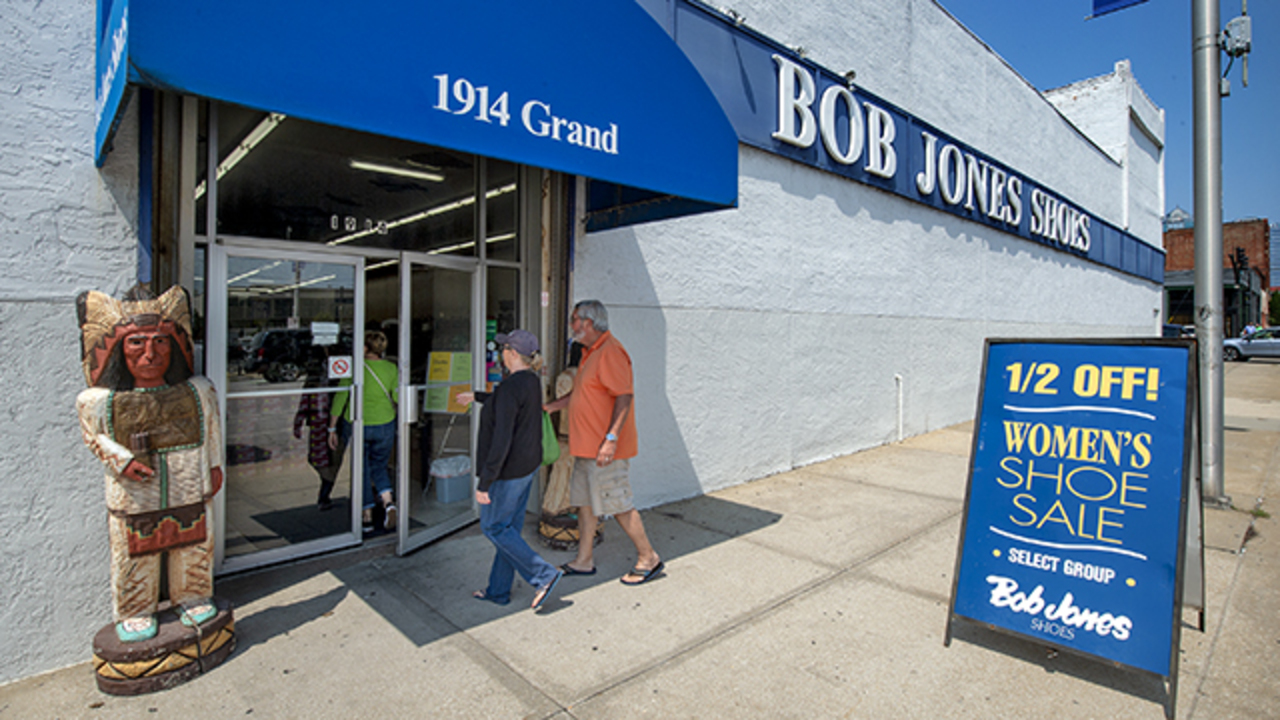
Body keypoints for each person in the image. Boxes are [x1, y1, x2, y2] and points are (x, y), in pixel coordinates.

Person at [76, 286, 222, 642]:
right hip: (135, 493)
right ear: (116, 351)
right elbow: (94, 436)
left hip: (189, 481)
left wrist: (214, 466)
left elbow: (212, 431)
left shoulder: (198, 391)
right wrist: (122, 461)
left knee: (193, 545)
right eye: (136, 343)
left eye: (160, 342)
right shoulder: (98, 401)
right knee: (134, 554)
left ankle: (192, 596)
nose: (150, 353)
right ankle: (135, 609)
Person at [544, 300, 663, 585]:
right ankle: (584, 561)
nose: (571, 325)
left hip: (605, 452)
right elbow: (580, 396)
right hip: (586, 449)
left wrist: (610, 440)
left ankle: (649, 558)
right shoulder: (589, 354)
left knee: (619, 504)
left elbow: (624, 396)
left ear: (587, 323)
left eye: (574, 320)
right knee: (586, 506)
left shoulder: (611, 352)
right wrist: (550, 407)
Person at [457, 330, 563, 609]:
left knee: (493, 527)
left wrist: (484, 483)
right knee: (509, 532)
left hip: (507, 473)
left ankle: (544, 575)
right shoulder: (530, 381)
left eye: (503, 348)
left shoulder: (509, 388)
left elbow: (501, 439)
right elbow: (509, 405)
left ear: (512, 354)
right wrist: (477, 396)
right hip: (526, 468)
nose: (500, 352)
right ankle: (498, 590)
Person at [329, 330, 398, 533]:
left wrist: (332, 427)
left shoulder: (355, 368)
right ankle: (388, 503)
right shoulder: (391, 368)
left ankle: (366, 515)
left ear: (366, 348)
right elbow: (397, 395)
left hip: (359, 424)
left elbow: (341, 398)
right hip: (385, 423)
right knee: (379, 466)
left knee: (362, 469)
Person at [293, 347, 344, 511]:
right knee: (322, 459)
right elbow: (306, 398)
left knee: (331, 460)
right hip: (321, 421)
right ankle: (324, 493)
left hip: (333, 420)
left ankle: (324, 495)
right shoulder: (315, 376)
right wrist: (299, 420)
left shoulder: (337, 372)